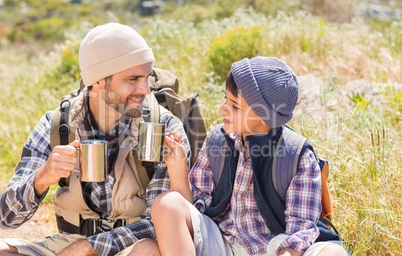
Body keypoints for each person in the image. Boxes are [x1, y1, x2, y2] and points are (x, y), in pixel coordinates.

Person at [0, 22, 190, 256]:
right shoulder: (56, 125)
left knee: (149, 252)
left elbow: (165, 224)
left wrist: (89, 247)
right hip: (68, 243)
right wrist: (42, 178)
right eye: (133, 79)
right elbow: (5, 218)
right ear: (98, 80)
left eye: (146, 77)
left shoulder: (164, 128)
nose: (145, 90)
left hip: (130, 247)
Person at [149, 57, 349, 256]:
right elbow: (194, 213)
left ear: (266, 117)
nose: (222, 108)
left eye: (235, 106)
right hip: (223, 243)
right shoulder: (217, 141)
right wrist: (177, 166)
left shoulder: (297, 155)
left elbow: (300, 231)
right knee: (166, 204)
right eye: (225, 98)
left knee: (333, 253)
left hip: (277, 248)